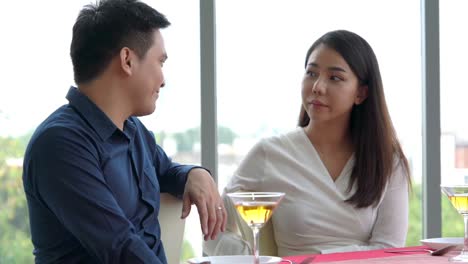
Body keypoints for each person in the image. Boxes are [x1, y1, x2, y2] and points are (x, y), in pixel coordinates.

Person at [22, 0, 226, 263]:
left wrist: (194, 173)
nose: (163, 79)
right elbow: (119, 248)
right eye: (160, 62)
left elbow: (166, 170)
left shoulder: (132, 130)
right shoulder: (59, 145)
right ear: (127, 60)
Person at [204, 29, 411, 257]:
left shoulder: (387, 161)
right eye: (311, 73)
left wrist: (318, 260)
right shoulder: (270, 154)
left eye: (335, 78)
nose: (317, 87)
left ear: (361, 93)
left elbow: (389, 250)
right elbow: (215, 230)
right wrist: (256, 259)